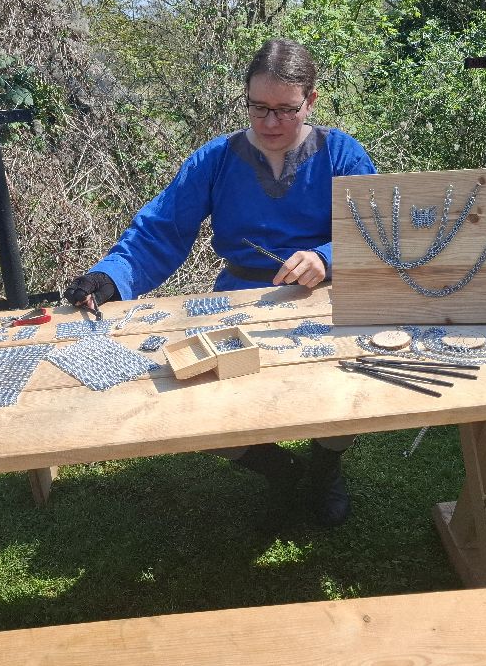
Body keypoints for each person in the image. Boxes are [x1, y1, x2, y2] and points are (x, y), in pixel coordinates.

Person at [64, 38, 377, 530]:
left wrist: (327, 256)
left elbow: (374, 232)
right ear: (246, 98)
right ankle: (281, 470)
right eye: (259, 107)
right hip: (235, 296)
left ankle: (324, 468)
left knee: (346, 387)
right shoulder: (216, 159)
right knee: (196, 399)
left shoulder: (341, 154)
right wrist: (110, 277)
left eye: (286, 110)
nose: (270, 122)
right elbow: (160, 230)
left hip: (322, 299)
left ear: (311, 101)